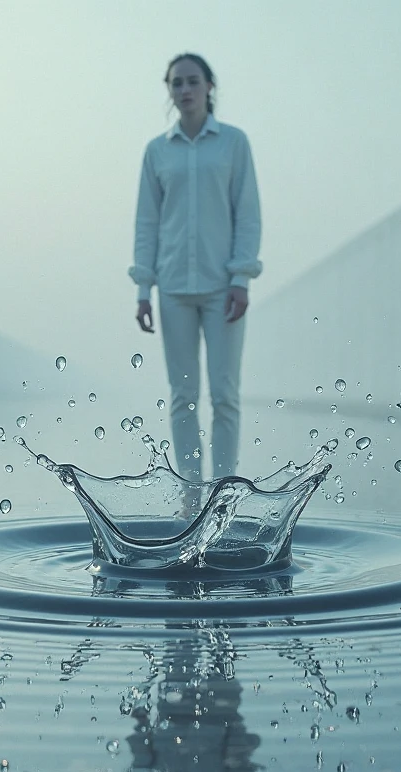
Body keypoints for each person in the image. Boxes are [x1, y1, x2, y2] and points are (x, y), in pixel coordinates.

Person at [129, 53, 263, 482]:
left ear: (209, 87)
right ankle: (190, 492)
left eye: (192, 81)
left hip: (223, 289)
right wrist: (142, 289)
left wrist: (241, 278)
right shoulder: (156, 151)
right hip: (172, 289)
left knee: (225, 396)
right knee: (182, 396)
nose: (184, 90)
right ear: (169, 91)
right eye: (176, 84)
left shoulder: (234, 143)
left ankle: (223, 488)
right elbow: (146, 221)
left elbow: (248, 212)